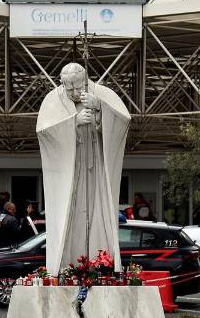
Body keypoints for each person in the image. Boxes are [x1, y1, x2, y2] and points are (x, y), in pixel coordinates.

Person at [36, 63, 131, 274]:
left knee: (99, 211)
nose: (73, 92)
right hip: (71, 170)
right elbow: (44, 132)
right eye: (68, 88)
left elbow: (123, 121)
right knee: (71, 213)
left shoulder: (103, 94)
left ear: (86, 80)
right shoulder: (53, 99)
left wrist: (100, 108)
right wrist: (74, 123)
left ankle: (101, 265)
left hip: (97, 168)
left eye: (78, 87)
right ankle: (69, 267)